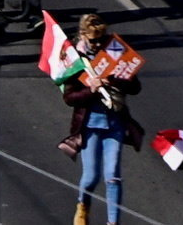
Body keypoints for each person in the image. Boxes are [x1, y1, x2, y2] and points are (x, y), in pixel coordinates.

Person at [66, 18, 144, 225]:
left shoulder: (115, 50)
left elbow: (135, 87)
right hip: (90, 124)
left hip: (115, 123)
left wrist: (114, 78)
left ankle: (113, 222)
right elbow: (69, 97)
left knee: (113, 176)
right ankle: (82, 206)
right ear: (83, 36)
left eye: (101, 39)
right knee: (91, 176)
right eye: (93, 41)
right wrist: (90, 89)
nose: (98, 45)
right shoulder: (75, 60)